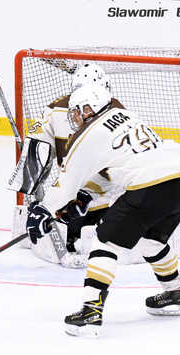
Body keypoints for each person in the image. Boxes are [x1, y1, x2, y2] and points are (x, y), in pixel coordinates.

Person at [26, 84, 180, 337]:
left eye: (76, 111)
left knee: (105, 242)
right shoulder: (126, 116)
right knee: (152, 242)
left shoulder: (88, 135)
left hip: (149, 186)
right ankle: (177, 292)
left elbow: (65, 184)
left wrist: (43, 211)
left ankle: (91, 309)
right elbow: (114, 168)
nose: (73, 117)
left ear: (89, 108)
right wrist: (86, 196)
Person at [27, 63, 118, 265]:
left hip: (68, 205)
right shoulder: (117, 111)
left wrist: (38, 202)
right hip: (93, 206)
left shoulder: (54, 109)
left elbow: (35, 156)